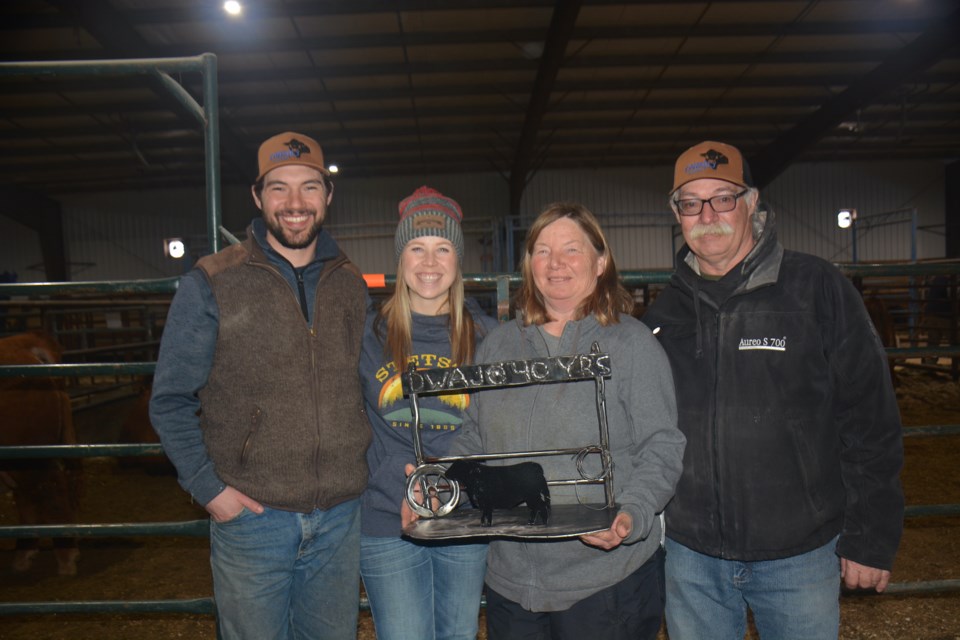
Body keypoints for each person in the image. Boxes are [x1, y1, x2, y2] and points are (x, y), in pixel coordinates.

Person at [642, 141, 905, 639]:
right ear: (677, 214)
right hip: (692, 557)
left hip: (799, 554)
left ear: (752, 202)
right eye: (691, 202)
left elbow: (870, 420)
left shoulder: (816, 289)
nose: (707, 214)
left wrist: (870, 537)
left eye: (723, 197)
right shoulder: (664, 315)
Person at [410, 202, 686, 640]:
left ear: (600, 262)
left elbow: (662, 444)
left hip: (603, 580)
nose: (555, 264)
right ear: (529, 265)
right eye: (542, 251)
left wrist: (632, 514)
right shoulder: (499, 345)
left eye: (571, 250)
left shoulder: (631, 344)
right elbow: (475, 437)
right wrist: (441, 482)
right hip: (512, 583)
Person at [149, 131, 371, 640]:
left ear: (328, 196)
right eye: (279, 188)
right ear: (257, 196)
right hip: (252, 516)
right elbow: (170, 400)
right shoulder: (211, 282)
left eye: (310, 187)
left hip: (338, 516)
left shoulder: (349, 283)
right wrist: (209, 489)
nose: (295, 203)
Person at [359, 186, 498, 640]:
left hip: (464, 514)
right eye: (416, 248)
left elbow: (494, 428)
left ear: (459, 260)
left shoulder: (488, 338)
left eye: (443, 249)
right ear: (400, 259)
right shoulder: (369, 335)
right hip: (386, 518)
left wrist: (443, 483)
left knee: (457, 633)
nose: (430, 262)